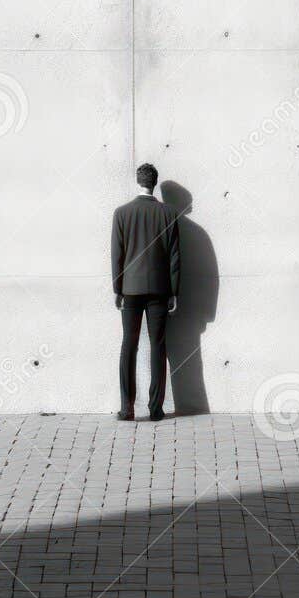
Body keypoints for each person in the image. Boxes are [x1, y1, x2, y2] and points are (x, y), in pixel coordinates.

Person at [111, 163, 180, 422]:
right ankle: (155, 409)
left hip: (130, 289)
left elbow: (117, 255)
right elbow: (175, 257)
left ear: (137, 181)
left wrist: (118, 288)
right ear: (154, 183)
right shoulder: (168, 214)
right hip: (160, 290)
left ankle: (127, 408)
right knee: (158, 346)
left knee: (129, 344)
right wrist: (174, 291)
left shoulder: (122, 213)